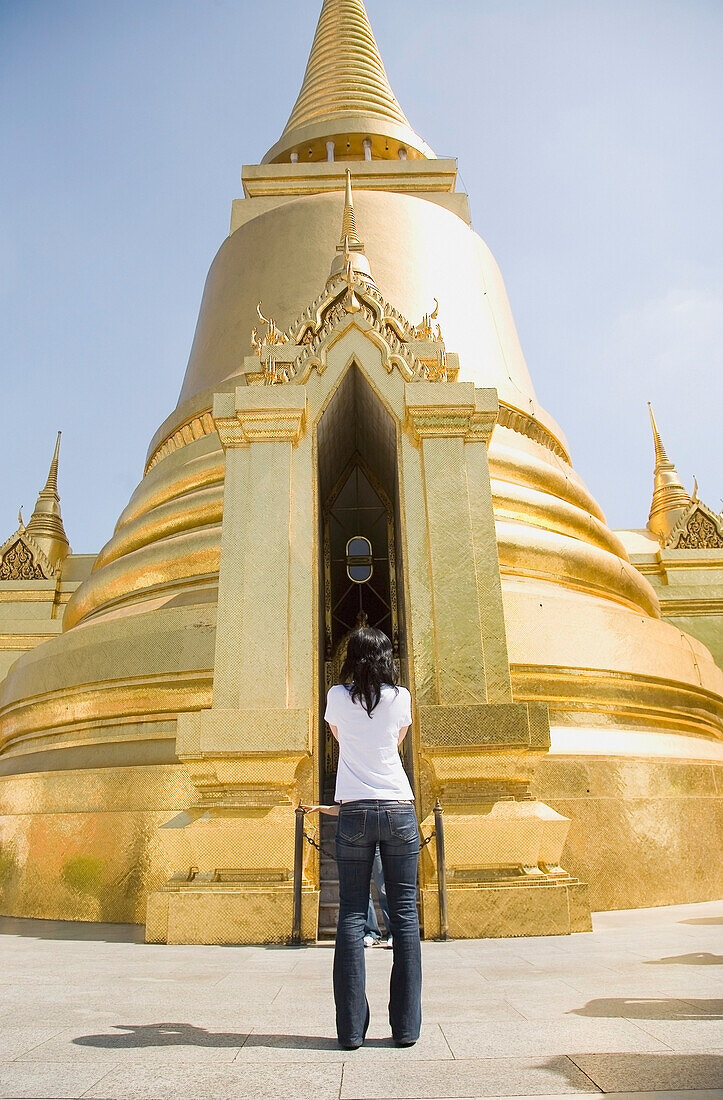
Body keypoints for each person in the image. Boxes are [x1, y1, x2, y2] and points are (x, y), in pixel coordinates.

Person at [323, 626, 421, 1050]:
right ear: (386, 658)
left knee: (349, 914)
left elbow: (339, 738)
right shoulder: (401, 698)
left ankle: (349, 1031)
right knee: (405, 916)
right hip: (398, 806)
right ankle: (405, 1029)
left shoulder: (337, 697)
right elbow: (397, 743)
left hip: (354, 809)